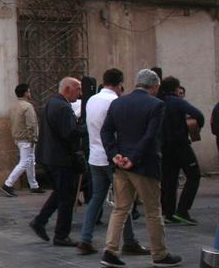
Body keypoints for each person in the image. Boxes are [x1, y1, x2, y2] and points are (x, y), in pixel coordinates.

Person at [100, 69, 182, 267]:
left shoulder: (118, 102)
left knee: (120, 208)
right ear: (154, 86)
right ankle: (159, 254)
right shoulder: (156, 104)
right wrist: (133, 158)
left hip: (121, 165)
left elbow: (106, 131)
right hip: (144, 165)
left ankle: (110, 250)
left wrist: (115, 154)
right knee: (153, 210)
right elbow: (150, 136)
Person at [76, 69, 148, 256]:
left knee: (97, 199)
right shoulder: (115, 102)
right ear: (120, 84)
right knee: (123, 201)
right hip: (112, 156)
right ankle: (130, 241)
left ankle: (85, 238)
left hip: (95, 156)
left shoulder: (92, 100)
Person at [30, 77, 85, 247]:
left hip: (49, 157)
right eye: (78, 89)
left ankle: (40, 221)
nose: (80, 94)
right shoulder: (62, 106)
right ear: (68, 89)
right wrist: (85, 128)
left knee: (61, 192)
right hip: (60, 159)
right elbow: (69, 134)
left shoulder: (52, 103)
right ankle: (61, 235)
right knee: (67, 197)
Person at [158, 76, 204, 225]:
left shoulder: (158, 103)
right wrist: (193, 127)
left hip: (164, 147)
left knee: (169, 180)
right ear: (176, 88)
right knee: (194, 175)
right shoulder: (178, 102)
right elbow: (198, 115)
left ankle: (168, 213)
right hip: (181, 145)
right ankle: (183, 210)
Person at [1, 83, 42, 196]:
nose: (30, 93)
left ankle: (34, 185)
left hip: (19, 137)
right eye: (29, 91)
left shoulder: (14, 106)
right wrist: (33, 138)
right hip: (26, 138)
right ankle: (8, 184)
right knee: (25, 162)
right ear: (25, 93)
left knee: (30, 161)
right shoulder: (27, 106)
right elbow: (31, 124)